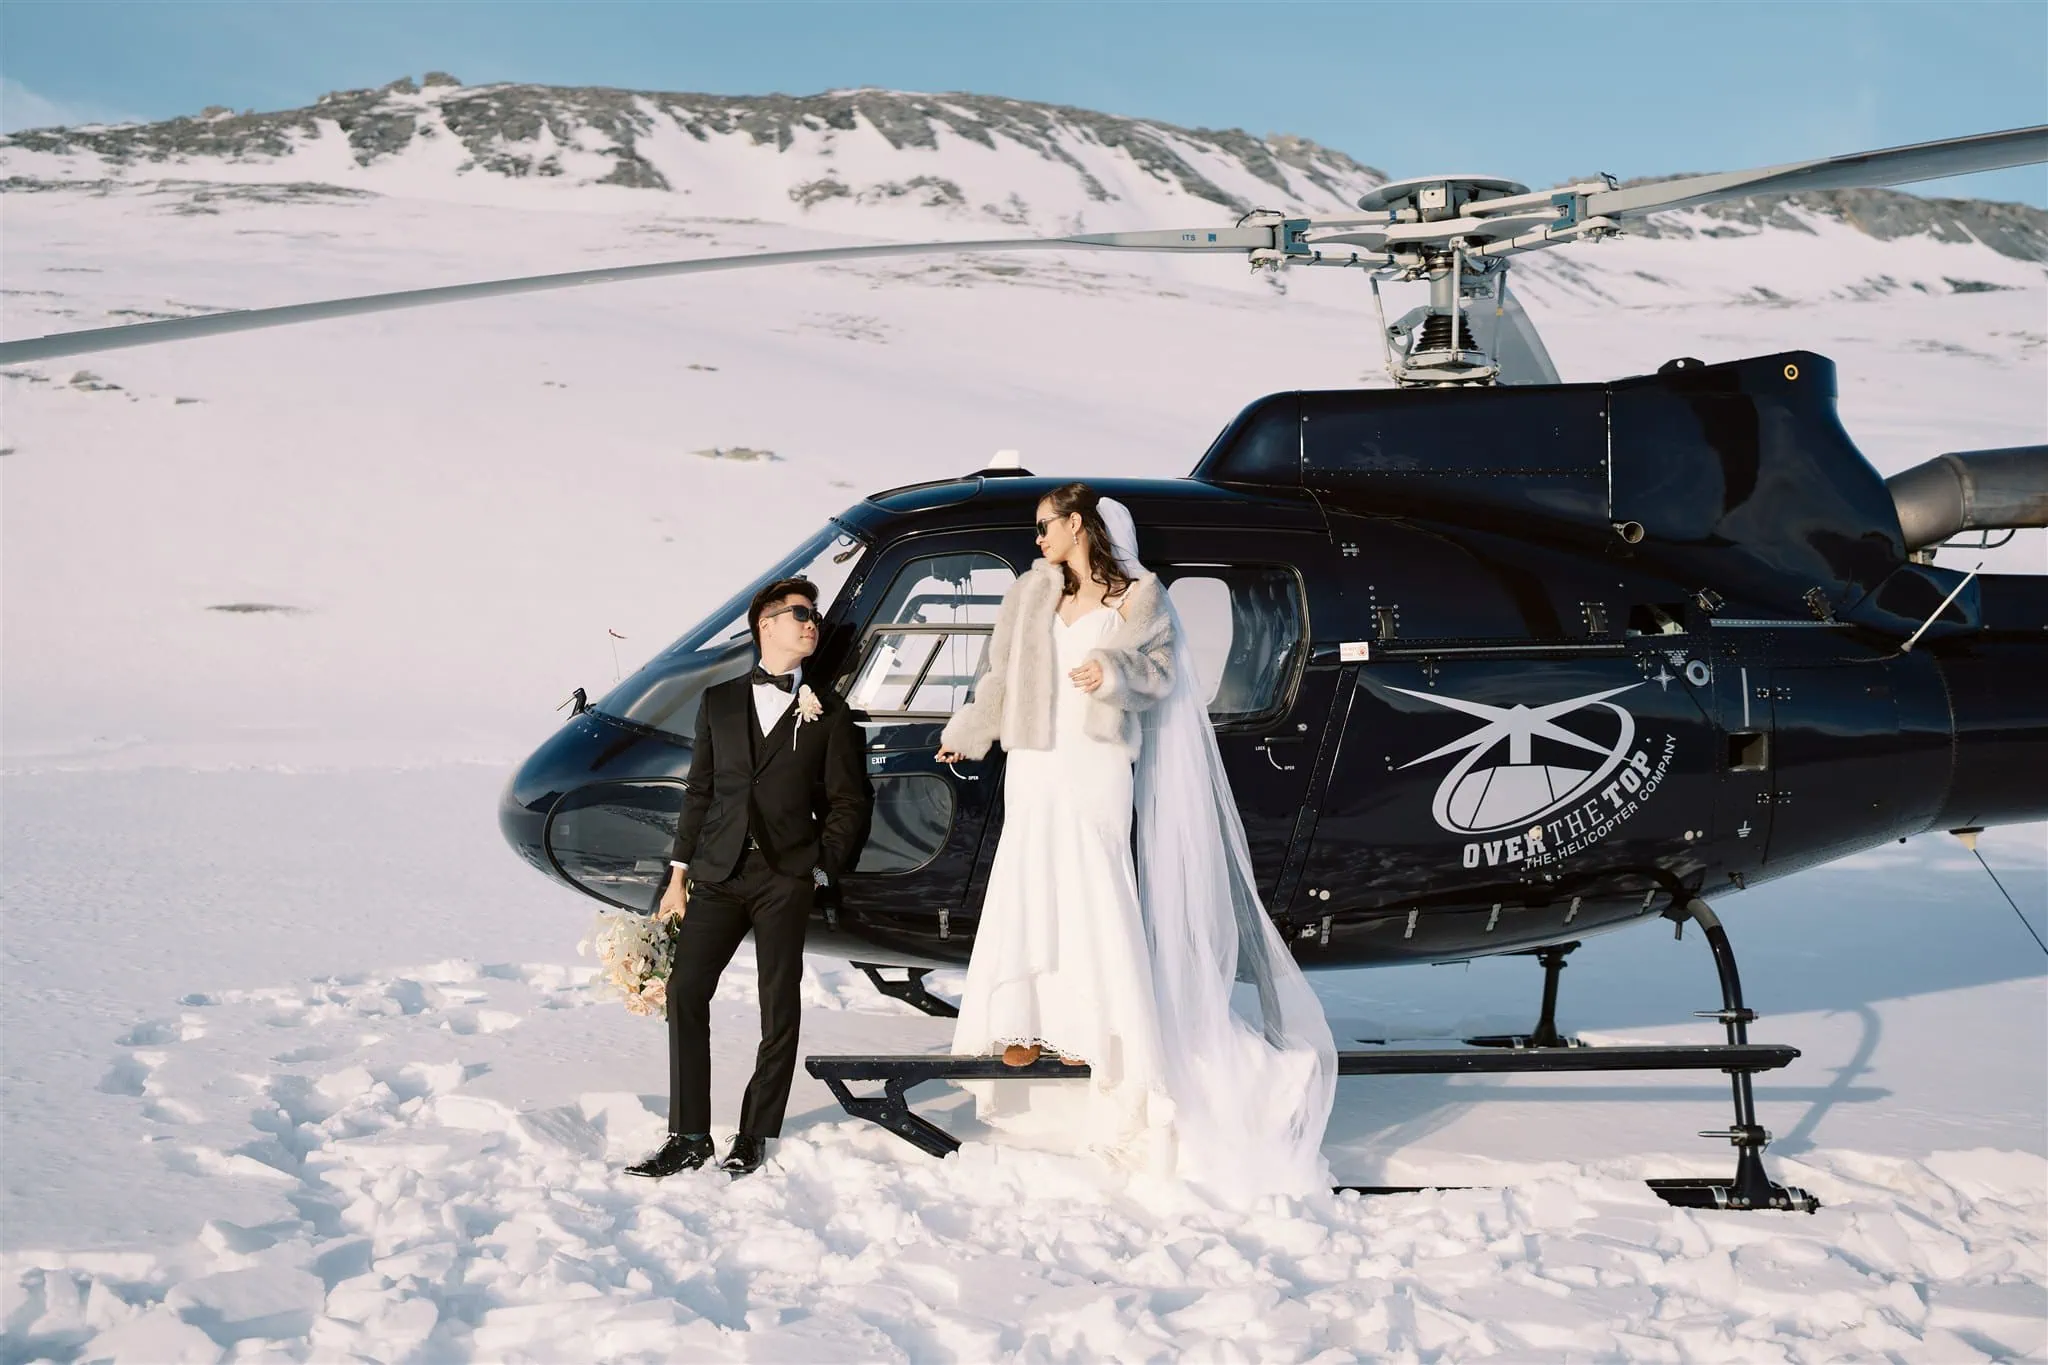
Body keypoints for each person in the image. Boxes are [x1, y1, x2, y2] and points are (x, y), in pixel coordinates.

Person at [937, 484, 1337, 1200]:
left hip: (1094, 763)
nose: (1037, 539)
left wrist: (1112, 672)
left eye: (1044, 526)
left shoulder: (1139, 598)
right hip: (1033, 761)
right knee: (1031, 880)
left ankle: (1097, 1031)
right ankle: (1027, 1025)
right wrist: (968, 733)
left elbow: (1158, 675)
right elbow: (1000, 676)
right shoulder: (1029, 595)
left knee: (1093, 884)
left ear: (1078, 525)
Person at [626, 577, 872, 1181]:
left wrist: (821, 867)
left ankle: (755, 1132)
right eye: (799, 614)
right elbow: (701, 791)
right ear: (765, 624)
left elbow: (851, 802)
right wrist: (677, 875)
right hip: (717, 872)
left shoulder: (830, 713)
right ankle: (688, 1136)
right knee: (685, 992)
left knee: (776, 1005)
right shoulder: (718, 702)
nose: (812, 623)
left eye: (814, 616)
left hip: (786, 877)